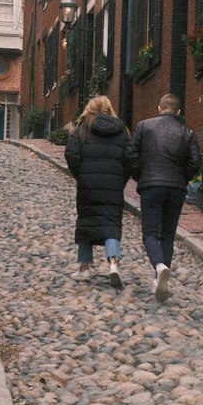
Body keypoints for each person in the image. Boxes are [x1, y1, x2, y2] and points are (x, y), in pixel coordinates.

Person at [126, 93, 201, 302]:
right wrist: (182, 178)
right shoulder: (186, 132)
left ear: (159, 108)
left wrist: (140, 175)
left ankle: (159, 267)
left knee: (150, 234)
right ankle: (159, 279)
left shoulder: (143, 126)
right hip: (176, 188)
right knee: (168, 234)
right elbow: (195, 162)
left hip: (151, 186)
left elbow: (130, 155)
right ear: (178, 112)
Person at [64, 95, 131, 289]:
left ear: (90, 108)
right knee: (111, 223)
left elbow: (72, 155)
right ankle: (113, 263)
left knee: (86, 222)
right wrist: (121, 178)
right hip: (113, 185)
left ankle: (84, 268)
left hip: (88, 183)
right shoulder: (122, 130)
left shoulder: (81, 128)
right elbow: (129, 158)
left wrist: (81, 174)